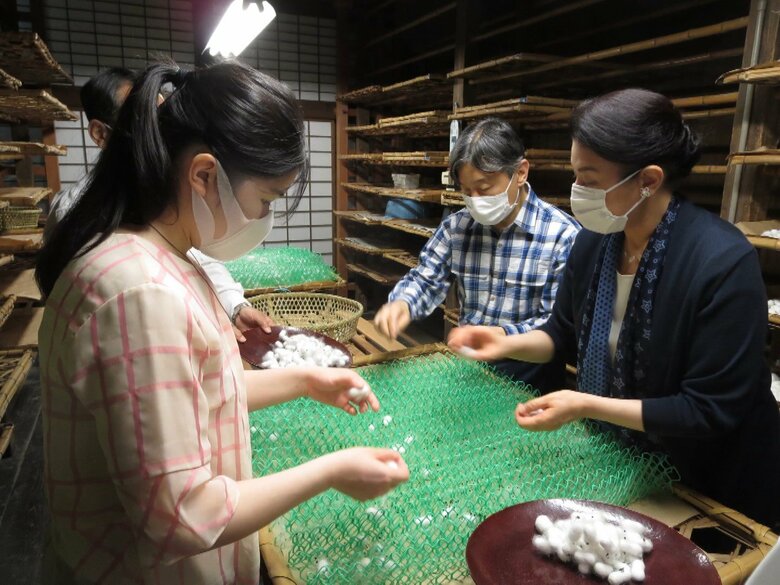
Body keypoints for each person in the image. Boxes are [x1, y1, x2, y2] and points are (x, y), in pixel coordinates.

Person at [36, 60, 409, 585]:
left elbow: (195, 390)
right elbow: (181, 516)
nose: (264, 218)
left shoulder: (158, 255)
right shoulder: (139, 295)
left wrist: (306, 380)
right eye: (266, 200)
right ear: (205, 175)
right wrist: (332, 470)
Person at [448, 89, 780, 528]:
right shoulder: (594, 243)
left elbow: (707, 410)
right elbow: (561, 335)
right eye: (575, 175)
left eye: (589, 178)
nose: (577, 192)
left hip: (714, 482)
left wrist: (586, 405)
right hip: (630, 464)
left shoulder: (720, 261)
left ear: (648, 180)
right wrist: (505, 341)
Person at [44, 66, 272, 341]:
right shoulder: (77, 210)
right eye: (146, 123)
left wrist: (234, 306)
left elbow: (196, 257)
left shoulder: (164, 195)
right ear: (100, 134)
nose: (160, 135)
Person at [375, 118, 580, 391]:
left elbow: (556, 325)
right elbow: (425, 279)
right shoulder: (457, 227)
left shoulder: (562, 236)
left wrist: (501, 337)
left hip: (532, 380)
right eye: (466, 191)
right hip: (470, 371)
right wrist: (402, 304)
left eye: (484, 189)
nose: (475, 200)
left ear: (520, 173)